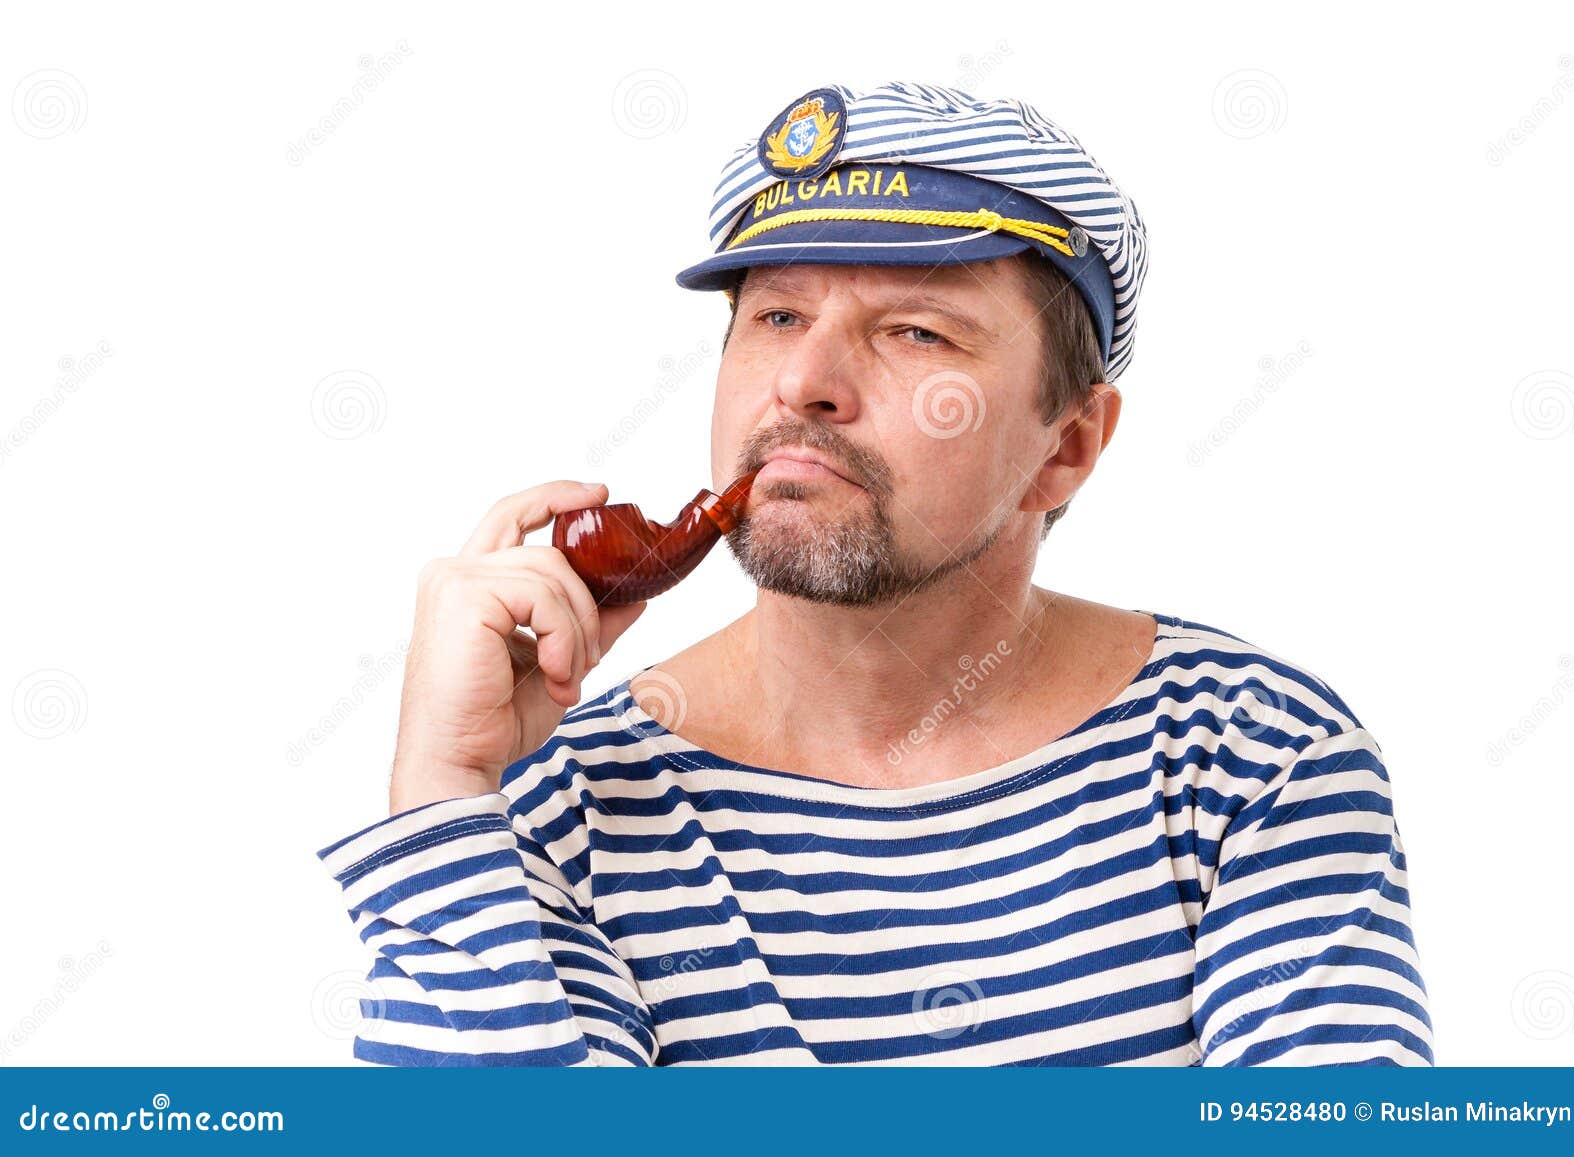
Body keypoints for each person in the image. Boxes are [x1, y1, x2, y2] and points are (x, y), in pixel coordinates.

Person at [315, 81, 1434, 1066]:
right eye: (778, 313)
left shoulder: (1252, 757)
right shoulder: (558, 809)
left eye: (915, 333)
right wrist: (444, 797)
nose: (802, 381)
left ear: (1066, 445)